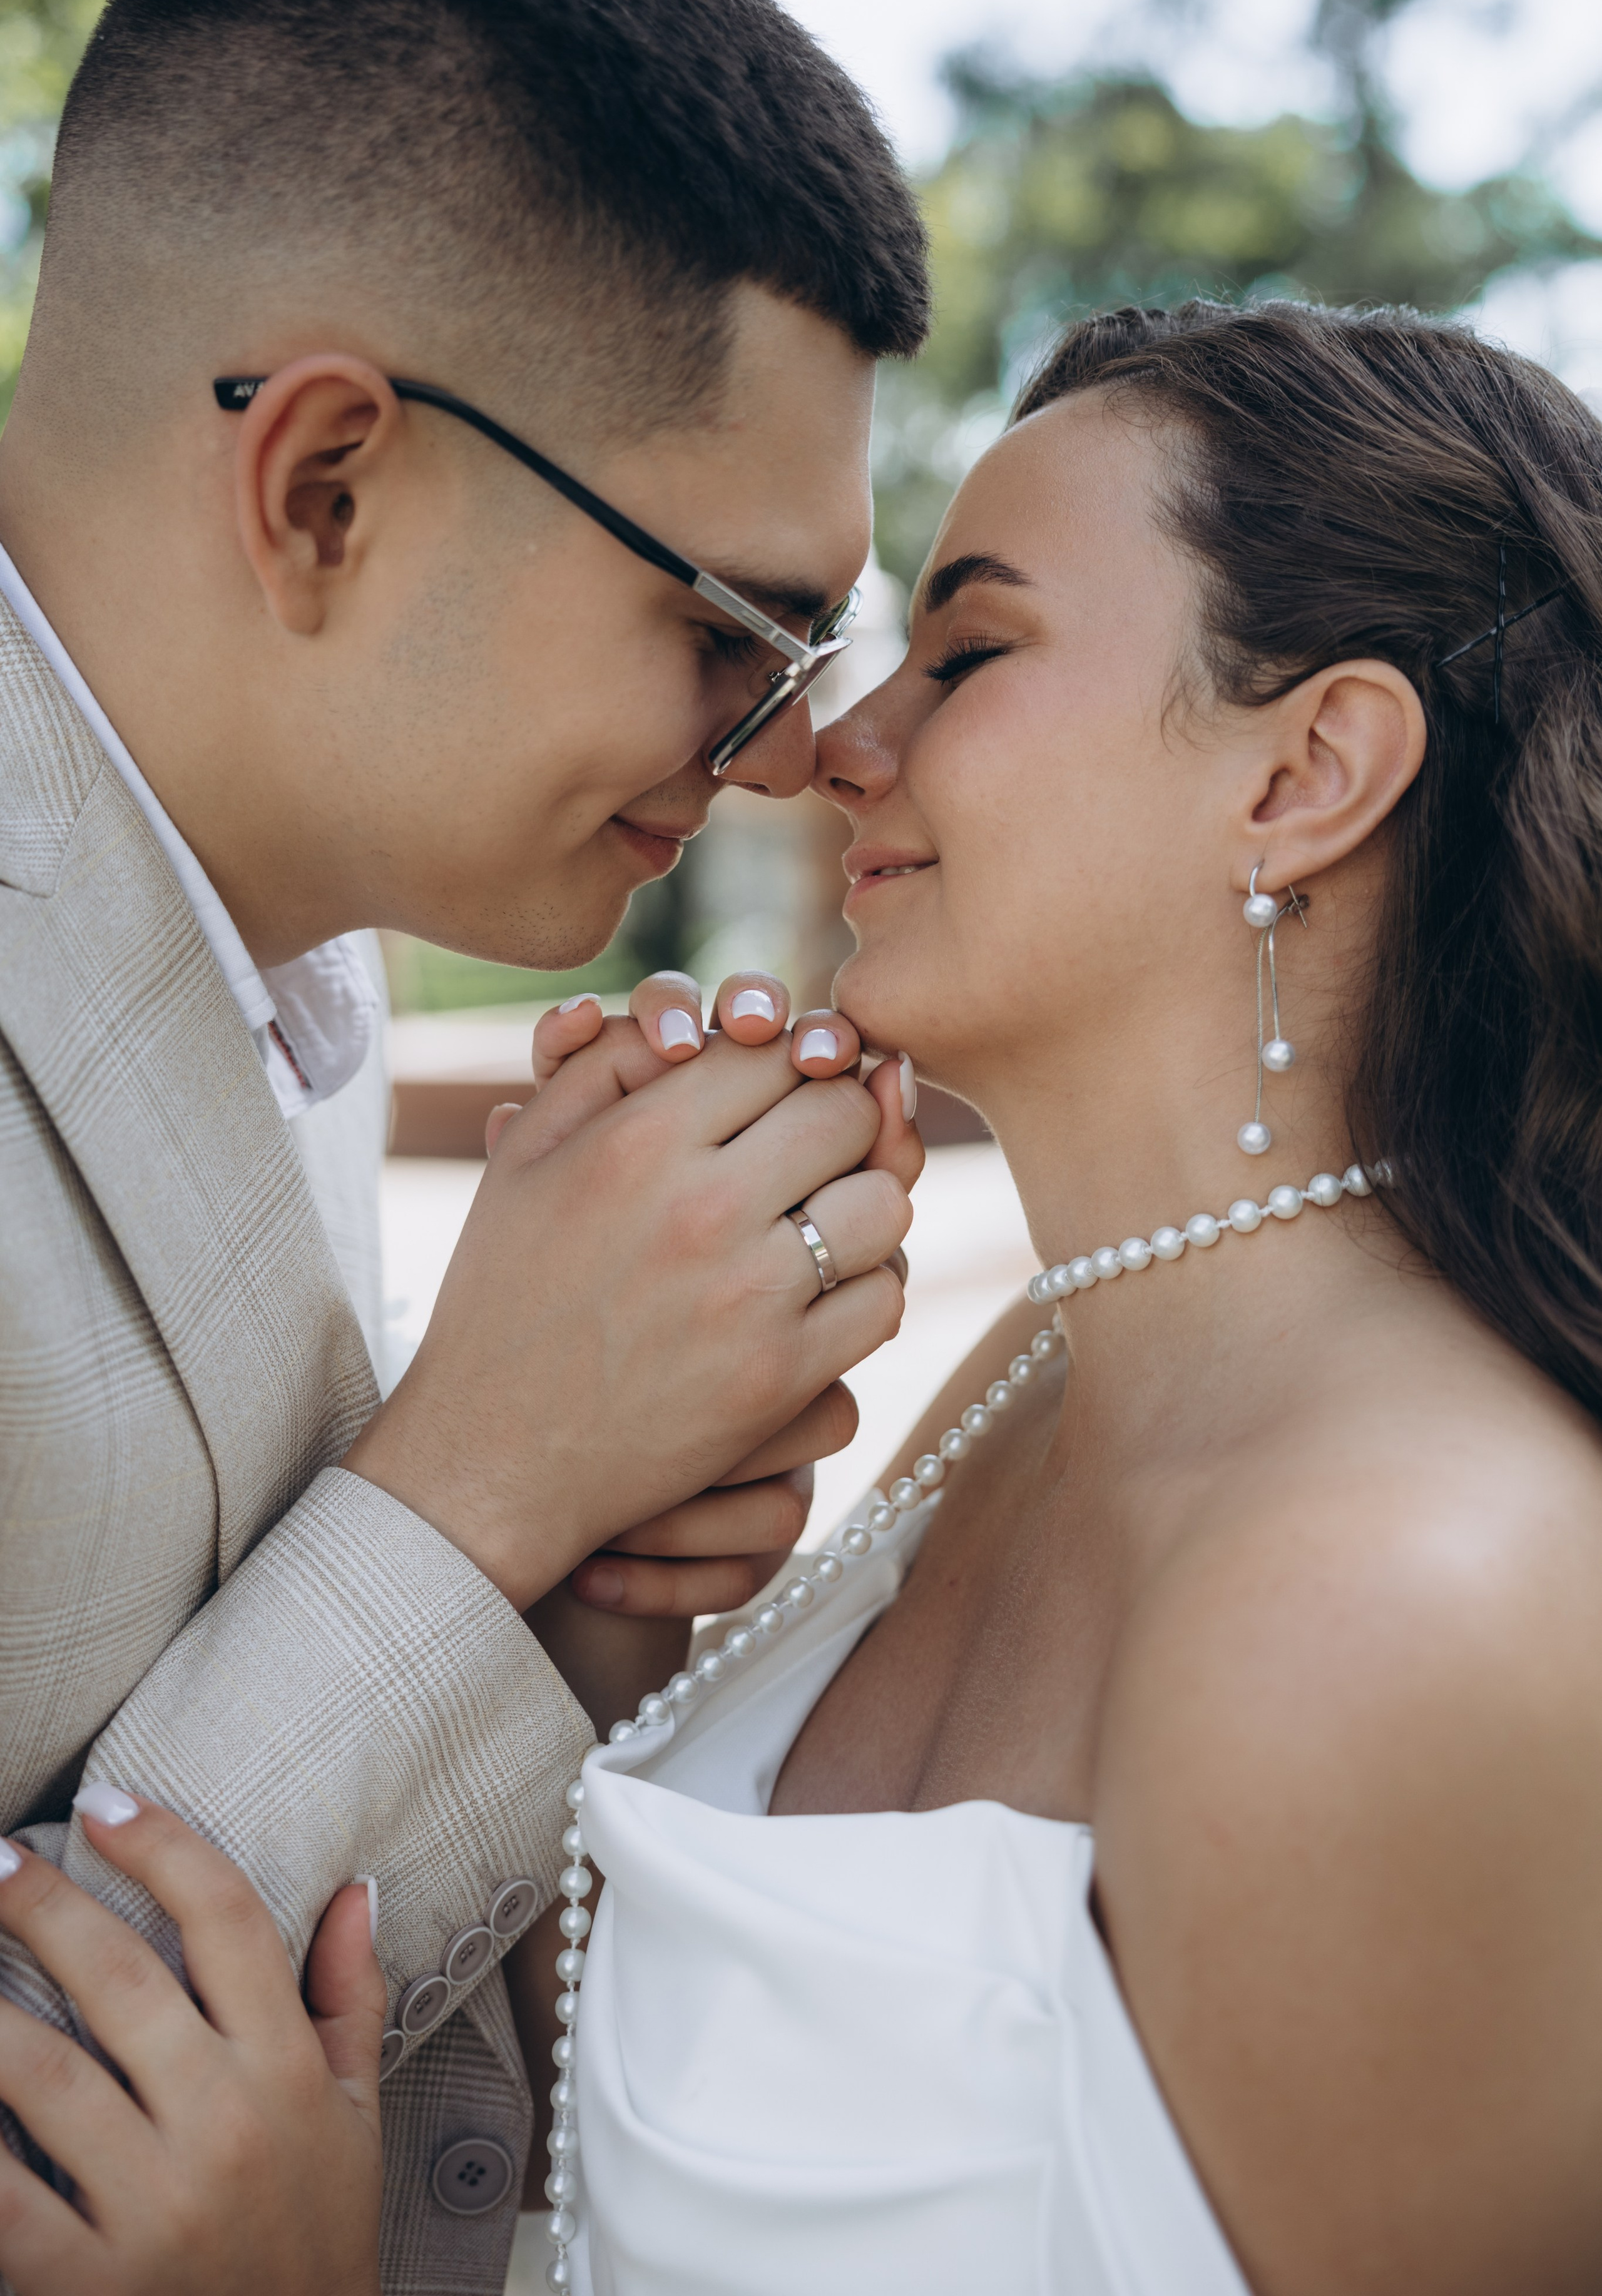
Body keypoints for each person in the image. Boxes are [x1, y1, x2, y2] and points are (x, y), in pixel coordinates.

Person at [0, 0, 930, 2284]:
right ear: (322, 485)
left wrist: (554, 1607)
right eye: (727, 628)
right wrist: (483, 1469)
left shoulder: (277, 904)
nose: (805, 747)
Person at [500, 298, 1602, 2295]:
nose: (840, 743)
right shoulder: (1044, 1372)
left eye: (970, 651)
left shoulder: (1397, 1607)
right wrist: (609, 1588)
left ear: (1308, 774)